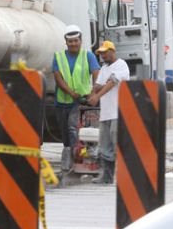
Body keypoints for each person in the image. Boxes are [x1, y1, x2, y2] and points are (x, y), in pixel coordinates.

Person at [52, 24, 100, 174]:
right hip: (62, 101)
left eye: (76, 41)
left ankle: (74, 159)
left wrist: (93, 92)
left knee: (74, 129)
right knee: (65, 132)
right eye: (70, 41)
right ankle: (68, 154)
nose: (73, 44)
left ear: (81, 41)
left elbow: (96, 73)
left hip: (81, 102)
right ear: (66, 42)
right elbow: (58, 77)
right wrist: (70, 92)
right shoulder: (58, 57)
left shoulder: (88, 55)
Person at [87, 40, 130, 184]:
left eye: (105, 52)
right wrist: (92, 94)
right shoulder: (104, 68)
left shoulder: (121, 65)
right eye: (101, 53)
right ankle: (107, 176)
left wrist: (97, 96)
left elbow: (112, 83)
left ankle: (126, 176)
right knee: (105, 145)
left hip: (118, 112)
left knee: (118, 144)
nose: (103, 55)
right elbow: (98, 84)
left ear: (113, 51)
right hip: (105, 112)